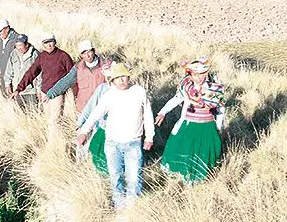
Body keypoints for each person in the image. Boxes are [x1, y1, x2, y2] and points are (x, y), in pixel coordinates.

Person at [76, 63, 154, 209]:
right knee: (115, 176)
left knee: (134, 177)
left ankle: (132, 208)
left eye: (124, 76)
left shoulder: (139, 92)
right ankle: (119, 204)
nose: (121, 80)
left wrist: (149, 137)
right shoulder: (109, 95)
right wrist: (84, 131)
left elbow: (148, 115)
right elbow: (96, 114)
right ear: (112, 80)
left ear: (129, 76)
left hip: (133, 142)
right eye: (117, 78)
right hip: (113, 143)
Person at [155, 56, 226, 184]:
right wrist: (162, 112)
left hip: (206, 126)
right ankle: (184, 176)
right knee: (183, 148)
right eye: (195, 74)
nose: (199, 77)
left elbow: (220, 109)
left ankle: (200, 179)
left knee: (203, 151)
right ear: (190, 75)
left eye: (202, 74)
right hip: (188, 124)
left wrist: (219, 127)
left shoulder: (214, 90)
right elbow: (176, 99)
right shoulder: (186, 88)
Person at [12, 33, 75, 140]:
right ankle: (53, 140)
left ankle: (54, 143)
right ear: (43, 44)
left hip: (58, 93)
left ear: (55, 42)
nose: (49, 45)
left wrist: (75, 94)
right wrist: (19, 89)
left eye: (51, 42)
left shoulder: (63, 56)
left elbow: (73, 75)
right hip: (45, 92)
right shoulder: (42, 56)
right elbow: (31, 73)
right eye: (46, 43)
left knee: (55, 120)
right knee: (49, 119)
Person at [45, 40, 113, 115]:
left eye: (89, 52)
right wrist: (51, 93)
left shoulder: (106, 64)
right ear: (81, 55)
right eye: (84, 53)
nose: (87, 56)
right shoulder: (78, 68)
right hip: (84, 110)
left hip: (102, 108)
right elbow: (66, 81)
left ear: (93, 51)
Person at [74, 64, 116, 176]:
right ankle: (85, 171)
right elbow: (91, 106)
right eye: (108, 77)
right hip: (100, 127)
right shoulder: (102, 88)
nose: (109, 79)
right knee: (92, 149)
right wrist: (81, 122)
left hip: (118, 131)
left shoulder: (128, 90)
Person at [2, 34, 40, 111]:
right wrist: (7, 83)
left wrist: (39, 90)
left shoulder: (35, 55)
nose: (18, 48)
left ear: (26, 44)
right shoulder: (14, 53)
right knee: (19, 113)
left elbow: (40, 75)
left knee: (32, 113)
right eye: (17, 45)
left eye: (20, 45)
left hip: (31, 91)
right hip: (16, 91)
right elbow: (9, 70)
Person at [0, 18, 18, 95]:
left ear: (7, 29)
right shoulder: (0, 39)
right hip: (3, 71)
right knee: (5, 92)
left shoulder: (17, 39)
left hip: (13, 73)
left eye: (0, 31)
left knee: (14, 93)